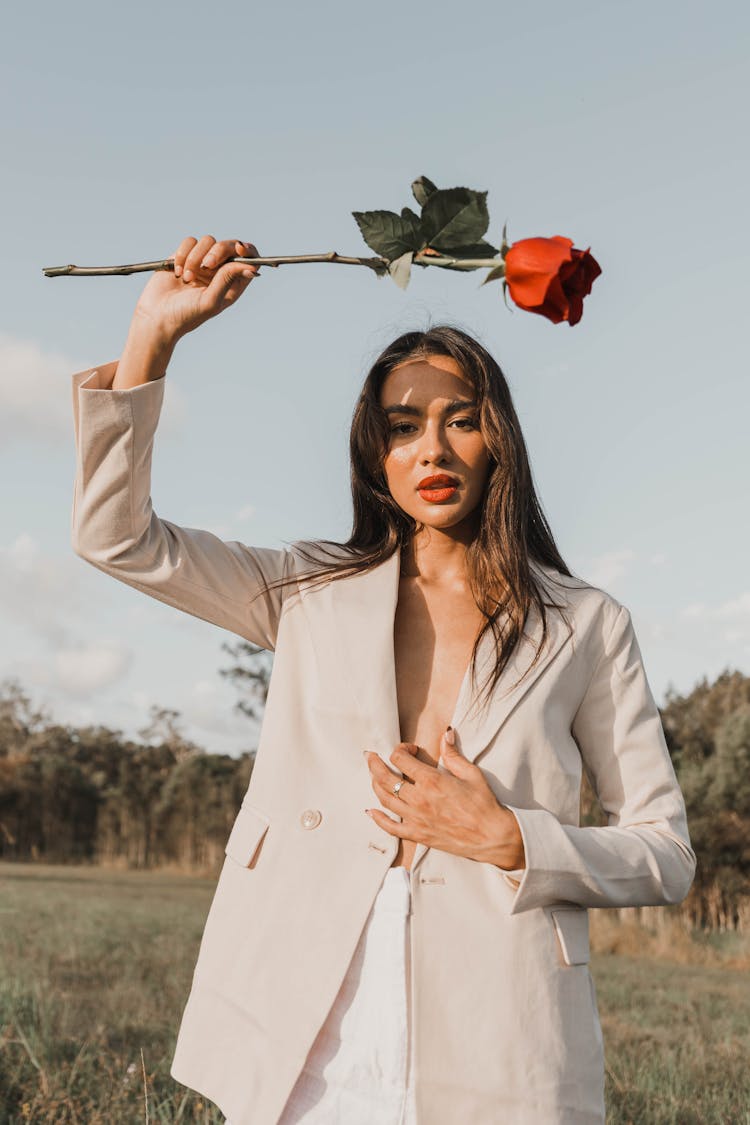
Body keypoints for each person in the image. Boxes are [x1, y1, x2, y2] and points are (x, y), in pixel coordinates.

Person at [69, 234, 697, 1125]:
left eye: (461, 417)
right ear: (375, 454)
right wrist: (152, 338)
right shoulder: (307, 589)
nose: (431, 446)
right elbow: (116, 539)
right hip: (309, 1006)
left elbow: (667, 853)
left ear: (499, 440)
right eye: (403, 426)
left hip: (499, 1024)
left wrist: (515, 838)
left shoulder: (588, 625)